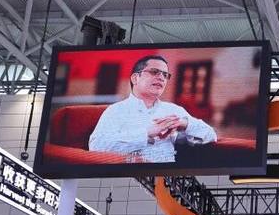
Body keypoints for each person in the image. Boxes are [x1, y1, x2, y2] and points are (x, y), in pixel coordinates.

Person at [88, 55, 217, 163]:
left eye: (165, 75)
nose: (161, 77)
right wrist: (147, 133)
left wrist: (184, 124)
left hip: (168, 178)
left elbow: (211, 136)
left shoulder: (173, 111)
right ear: (135, 78)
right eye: (154, 72)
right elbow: (96, 146)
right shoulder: (116, 110)